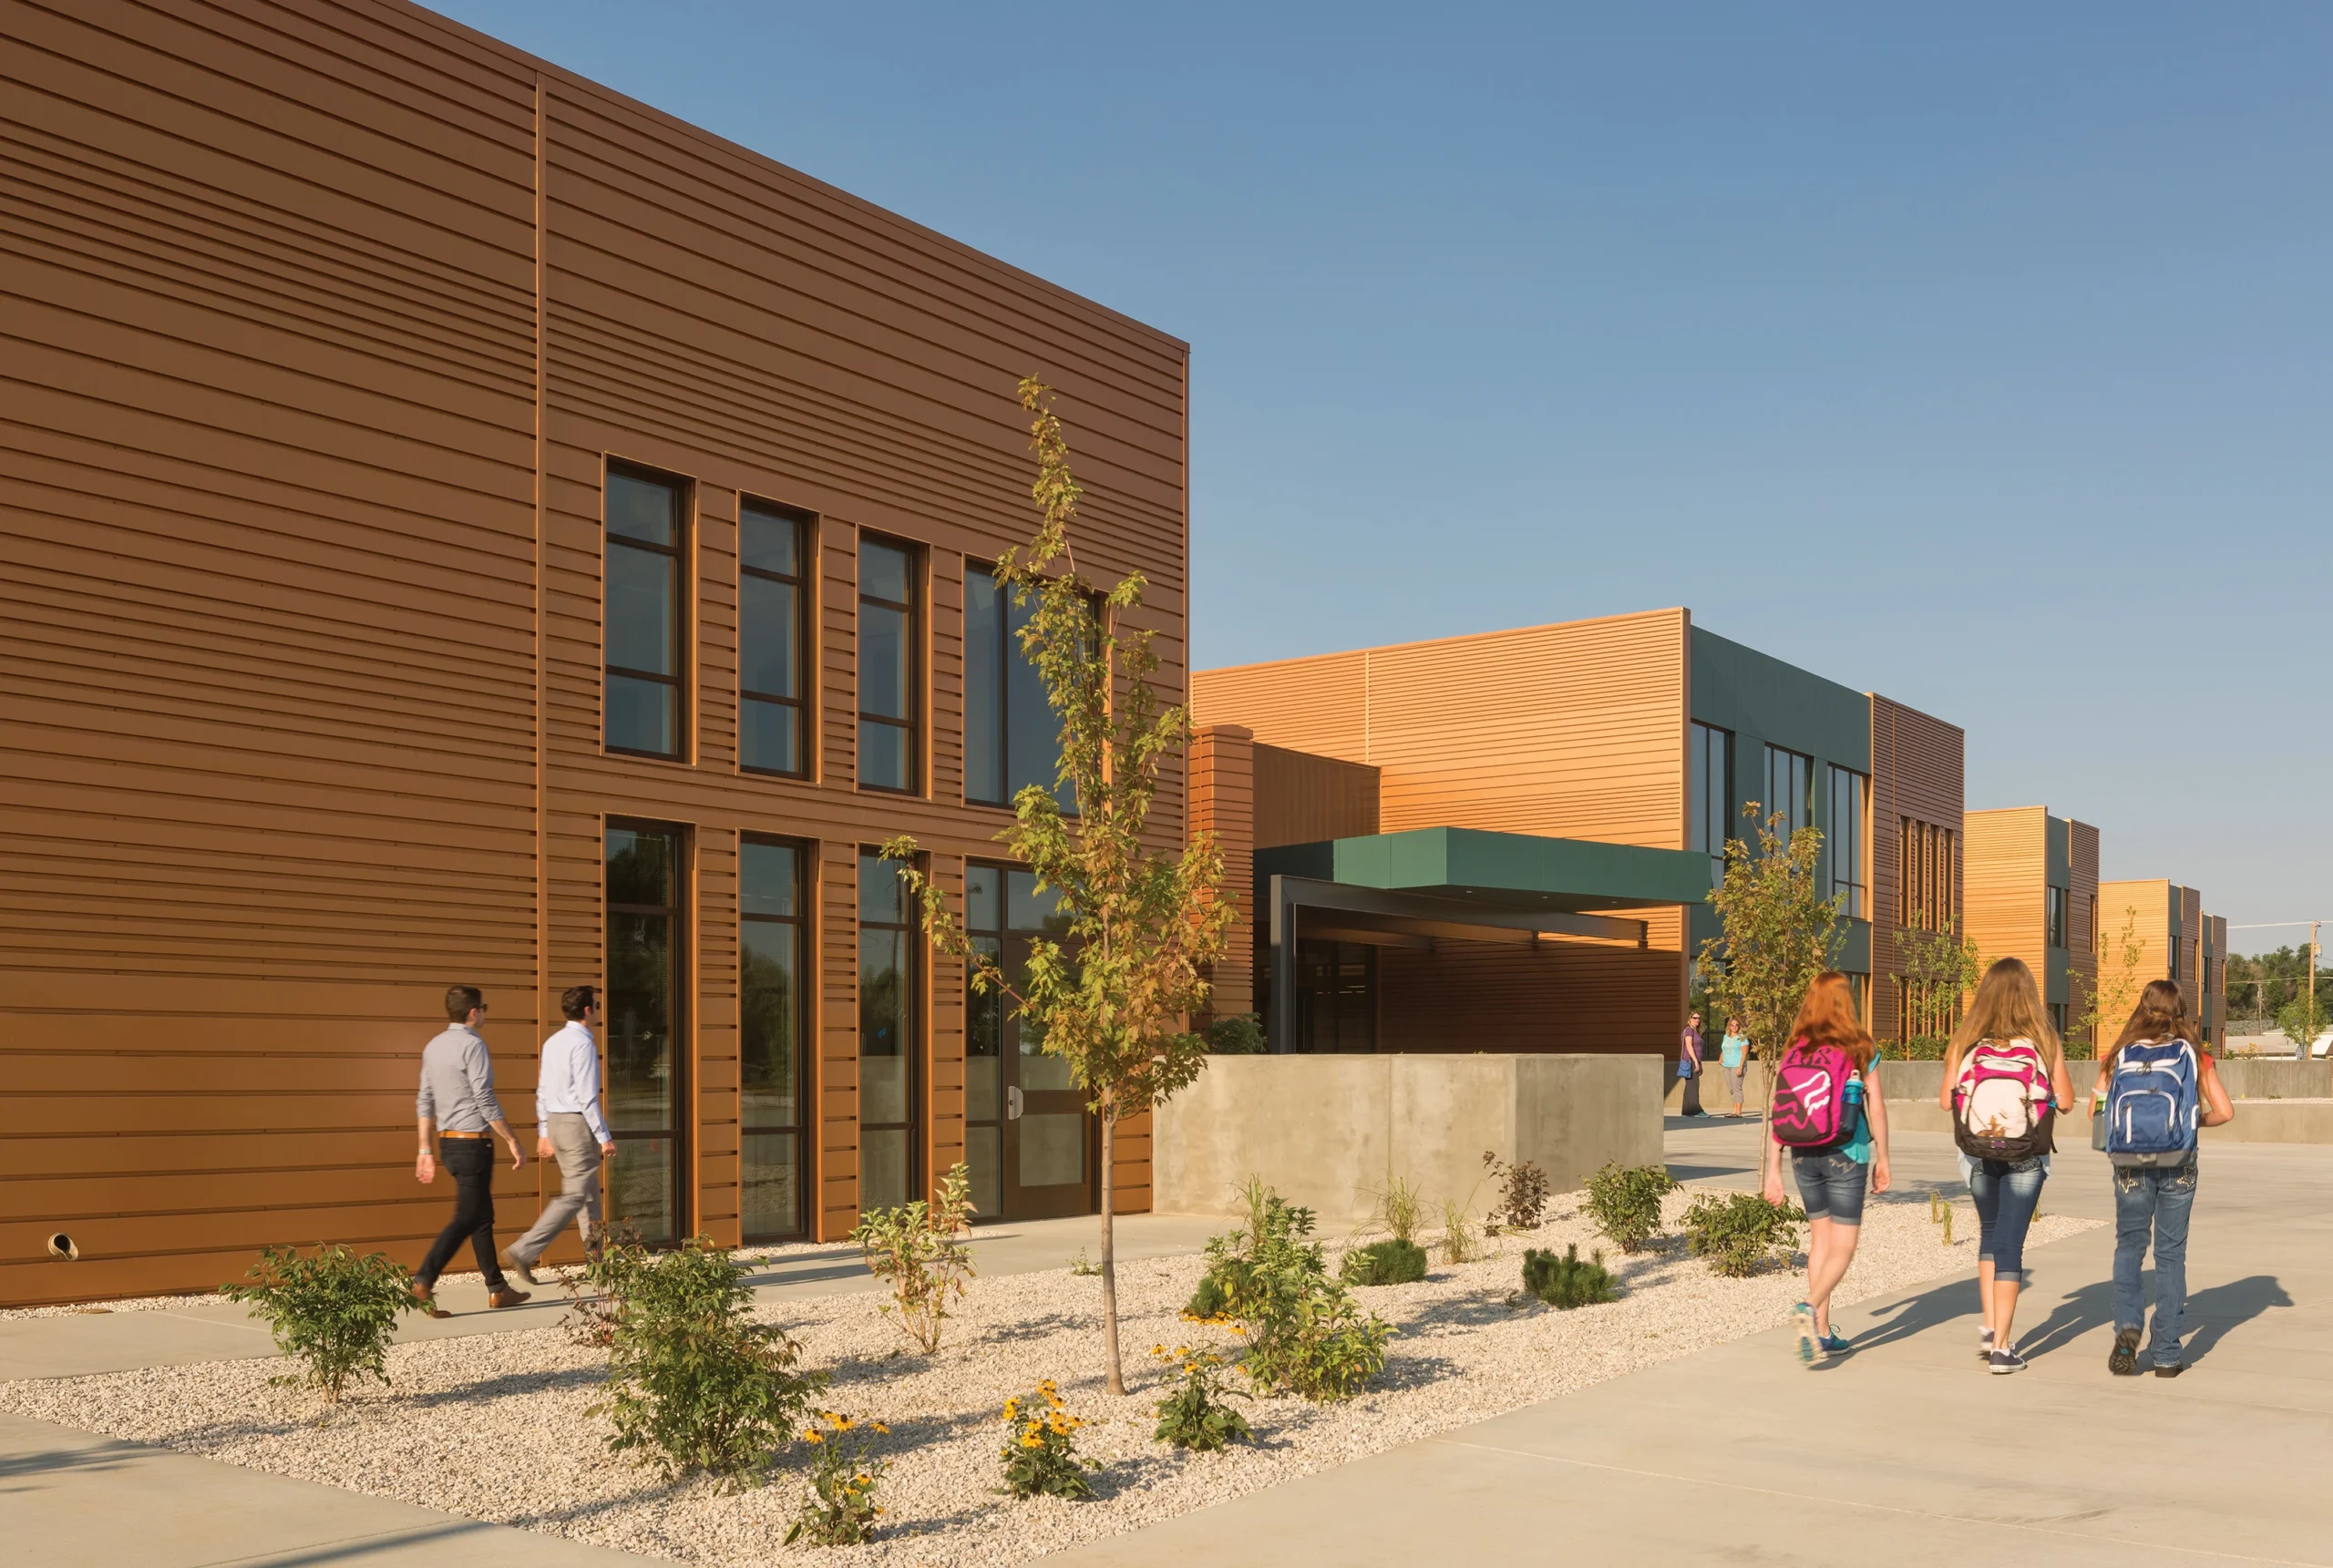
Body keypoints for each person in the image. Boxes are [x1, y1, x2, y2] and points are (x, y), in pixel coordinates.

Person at [1938, 958, 2074, 1374]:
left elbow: (1946, 1100)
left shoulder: (1966, 1038)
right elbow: (2066, 1101)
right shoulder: (2044, 1038)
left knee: (1990, 1235)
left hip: (1980, 1152)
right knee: (2010, 1246)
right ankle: (2002, 1349)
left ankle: (1990, 1327)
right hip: (2026, 1154)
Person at [2095, 979, 2234, 1378]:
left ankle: (2128, 1327)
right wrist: (2189, 1126)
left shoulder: (2118, 1055)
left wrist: (2122, 1143)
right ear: (2182, 1011)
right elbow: (2225, 1112)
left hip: (2130, 1165)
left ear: (2142, 1008)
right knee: (2171, 1256)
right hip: (2179, 1162)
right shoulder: (2194, 1055)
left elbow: (2097, 1116)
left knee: (2129, 1248)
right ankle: (2168, 1355)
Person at [1762, 971, 1890, 1364]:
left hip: (1802, 1152)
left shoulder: (1794, 1048)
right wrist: (1883, 1156)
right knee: (1845, 1246)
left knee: (1820, 1241)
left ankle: (1820, 1334)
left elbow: (1779, 1109)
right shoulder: (1859, 1045)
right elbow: (1877, 1108)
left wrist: (1773, 1170)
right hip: (1847, 1153)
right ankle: (1809, 1307)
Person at [414, 984, 529, 1316]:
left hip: (448, 1144)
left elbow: (425, 1099)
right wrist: (512, 1139)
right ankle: (424, 1279)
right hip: (474, 1145)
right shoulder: (473, 1046)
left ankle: (497, 1288)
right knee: (466, 1218)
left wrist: (425, 1149)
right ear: (474, 1012)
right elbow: (484, 1097)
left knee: (481, 1217)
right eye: (484, 1008)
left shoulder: (433, 1046)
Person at [502, 985, 617, 1286]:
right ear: (588, 1010)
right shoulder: (583, 1046)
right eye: (597, 1005)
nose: (598, 1010)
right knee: (575, 1195)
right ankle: (524, 1250)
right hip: (577, 1126)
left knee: (589, 1198)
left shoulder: (552, 1042)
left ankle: (598, 1269)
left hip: (556, 1123)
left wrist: (543, 1131)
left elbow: (542, 1090)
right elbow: (587, 1097)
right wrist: (604, 1136)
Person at [1720, 1016, 1752, 1116]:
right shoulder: (1726, 1036)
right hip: (1727, 1065)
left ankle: (1738, 1112)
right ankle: (1734, 1110)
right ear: (1729, 1026)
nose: (1734, 1027)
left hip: (1737, 1065)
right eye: (1732, 1025)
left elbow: (1744, 1054)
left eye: (1736, 1025)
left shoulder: (1742, 1037)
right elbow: (1724, 1048)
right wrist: (1721, 1058)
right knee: (1731, 1089)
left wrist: (1740, 1067)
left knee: (1737, 1088)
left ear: (1739, 1027)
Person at [1679, 1010, 1706, 1116]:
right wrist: (1695, 1061)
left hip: (1695, 1061)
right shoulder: (1689, 1030)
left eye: (1699, 1018)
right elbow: (1689, 1046)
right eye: (1695, 1018)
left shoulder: (1695, 1031)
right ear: (1690, 1018)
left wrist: (1700, 1063)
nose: (1697, 1020)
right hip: (1690, 1061)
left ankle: (1687, 1111)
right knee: (1693, 1086)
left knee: (1689, 1086)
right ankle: (1696, 1110)